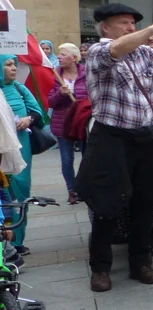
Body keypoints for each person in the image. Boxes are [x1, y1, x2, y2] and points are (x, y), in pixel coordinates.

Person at [77, 4, 153, 292]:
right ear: (105, 27)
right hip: (111, 138)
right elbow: (115, 50)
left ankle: (140, 262)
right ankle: (100, 268)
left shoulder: (142, 51)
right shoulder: (97, 51)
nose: (131, 27)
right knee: (107, 203)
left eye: (132, 23)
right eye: (124, 22)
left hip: (144, 138)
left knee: (145, 202)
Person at [0, 54, 44, 256]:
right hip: (2, 151)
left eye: (14, 64)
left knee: (21, 190)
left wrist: (28, 119)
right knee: (3, 194)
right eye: (8, 64)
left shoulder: (19, 88)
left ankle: (18, 240)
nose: (14, 68)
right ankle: (5, 241)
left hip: (21, 147)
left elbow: (38, 112)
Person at [48, 43, 87, 204]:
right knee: (66, 159)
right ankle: (72, 190)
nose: (59, 57)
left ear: (74, 58)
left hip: (83, 122)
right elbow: (51, 102)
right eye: (59, 54)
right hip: (63, 124)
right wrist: (61, 93)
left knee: (87, 158)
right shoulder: (55, 75)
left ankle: (84, 187)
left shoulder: (87, 73)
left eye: (63, 54)